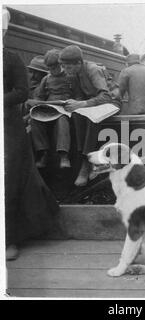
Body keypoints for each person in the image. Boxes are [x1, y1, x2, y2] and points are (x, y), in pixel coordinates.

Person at [3, 8, 61, 261]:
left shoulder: (10, 58)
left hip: (7, 128)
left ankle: (10, 239)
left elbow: (21, 92)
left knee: (9, 182)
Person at [59, 45, 118, 186]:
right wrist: (74, 104)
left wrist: (83, 104)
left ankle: (86, 164)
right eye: (64, 67)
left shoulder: (93, 69)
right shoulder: (74, 74)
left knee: (92, 118)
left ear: (78, 63)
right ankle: (85, 160)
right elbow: (80, 95)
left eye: (68, 67)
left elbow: (106, 96)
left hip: (111, 103)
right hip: (94, 104)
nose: (65, 70)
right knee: (77, 115)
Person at [30, 49, 75, 169]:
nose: (52, 70)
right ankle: (43, 153)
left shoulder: (71, 77)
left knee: (62, 121)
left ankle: (63, 156)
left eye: (55, 67)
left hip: (65, 109)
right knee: (34, 120)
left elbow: (77, 95)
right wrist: (36, 102)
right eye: (49, 68)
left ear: (61, 64)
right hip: (49, 108)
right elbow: (39, 96)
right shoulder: (46, 79)